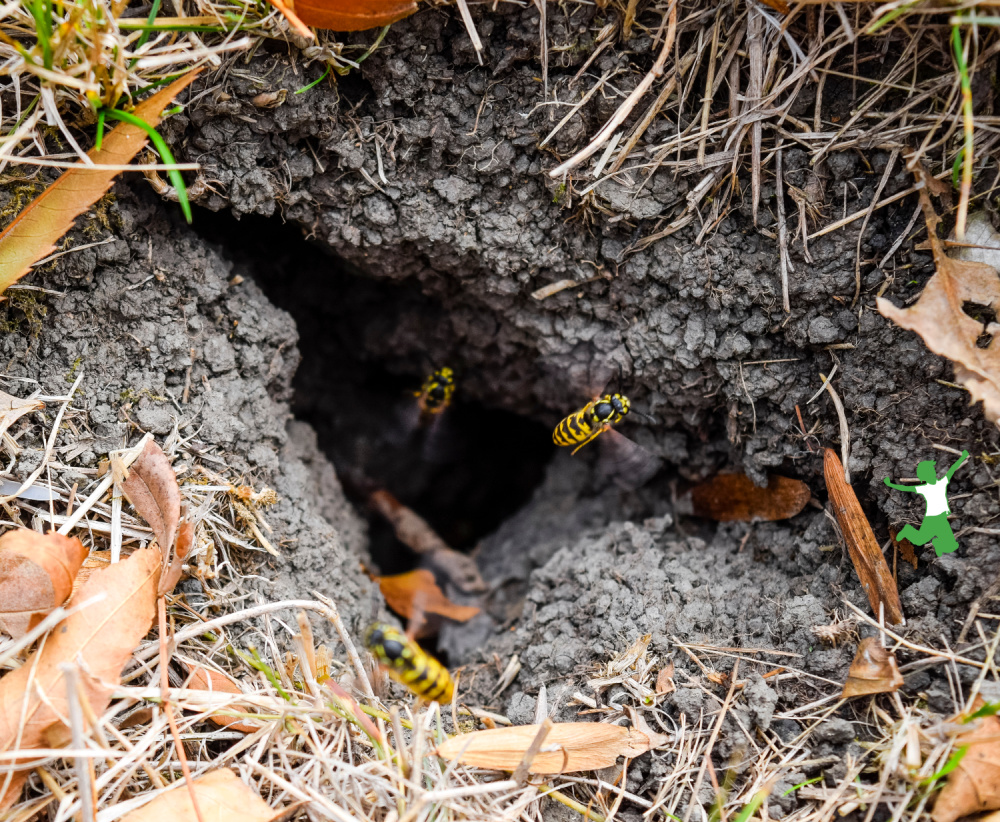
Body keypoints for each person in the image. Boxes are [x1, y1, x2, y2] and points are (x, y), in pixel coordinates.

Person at [883, 450, 969, 556]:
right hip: (932, 519)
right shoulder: (924, 488)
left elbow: (952, 470)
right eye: (928, 472)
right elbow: (904, 488)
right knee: (919, 540)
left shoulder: (942, 482)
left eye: (932, 471)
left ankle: (937, 543)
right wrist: (889, 484)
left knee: (952, 545)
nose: (932, 473)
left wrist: (962, 457)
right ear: (924, 476)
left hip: (941, 518)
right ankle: (907, 531)